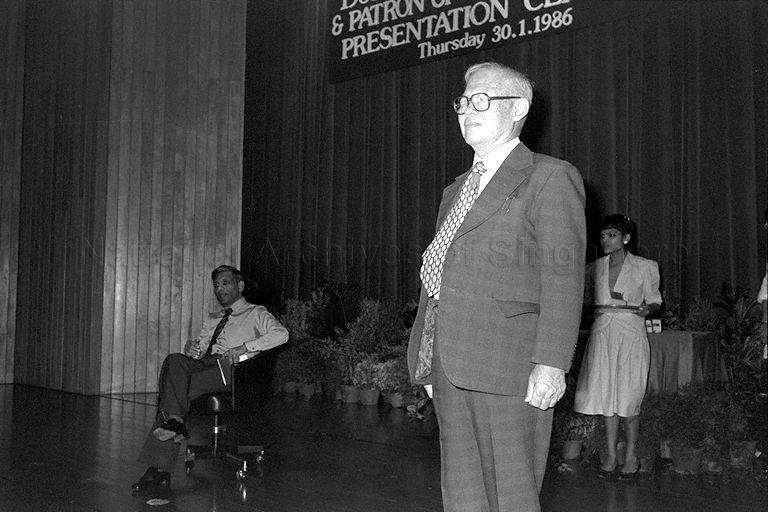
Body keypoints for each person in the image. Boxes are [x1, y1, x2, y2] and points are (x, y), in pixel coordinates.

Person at [407, 61, 586, 512]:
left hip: (510, 366)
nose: (468, 109)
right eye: (463, 102)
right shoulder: (455, 190)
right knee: (463, 496)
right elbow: (442, 277)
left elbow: (563, 280)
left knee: (512, 497)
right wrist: (427, 358)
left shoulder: (549, 176)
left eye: (482, 100)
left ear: (518, 108)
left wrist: (551, 364)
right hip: (451, 364)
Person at [131, 265, 288, 491]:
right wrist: (192, 350)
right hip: (207, 365)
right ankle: (173, 425)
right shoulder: (214, 317)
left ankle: (159, 469)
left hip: (232, 371)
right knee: (174, 361)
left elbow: (282, 335)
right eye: (216, 285)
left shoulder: (256, 313)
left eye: (225, 283)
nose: (220, 289)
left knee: (174, 390)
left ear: (240, 285)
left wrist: (246, 347)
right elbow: (200, 352)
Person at [573, 215, 662, 479]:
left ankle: (631, 456)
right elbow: (585, 299)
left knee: (629, 397)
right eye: (602, 236)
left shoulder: (646, 266)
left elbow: (655, 300)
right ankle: (611, 456)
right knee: (607, 396)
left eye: (611, 235)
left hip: (631, 330)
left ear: (625, 238)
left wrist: (649, 308)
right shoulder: (595, 268)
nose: (605, 240)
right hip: (603, 331)